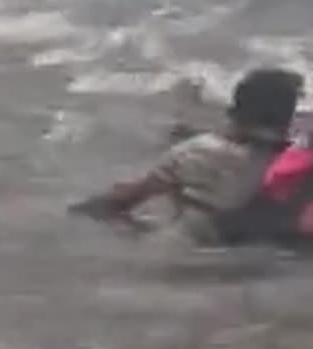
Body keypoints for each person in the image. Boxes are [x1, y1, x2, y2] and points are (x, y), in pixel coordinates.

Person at [70, 68, 303, 246]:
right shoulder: (299, 167)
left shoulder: (198, 152)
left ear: (234, 112)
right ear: (288, 118)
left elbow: (121, 201)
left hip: (187, 252)